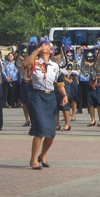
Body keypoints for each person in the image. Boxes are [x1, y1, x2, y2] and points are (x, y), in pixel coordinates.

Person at [24, 39, 68, 170]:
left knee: (50, 132)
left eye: (48, 46)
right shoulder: (35, 62)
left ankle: (42, 155)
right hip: (37, 96)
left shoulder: (55, 66)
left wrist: (65, 95)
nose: (46, 47)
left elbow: (59, 82)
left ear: (51, 51)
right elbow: (25, 64)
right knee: (40, 128)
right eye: (44, 45)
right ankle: (33, 159)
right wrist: (36, 51)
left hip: (50, 97)